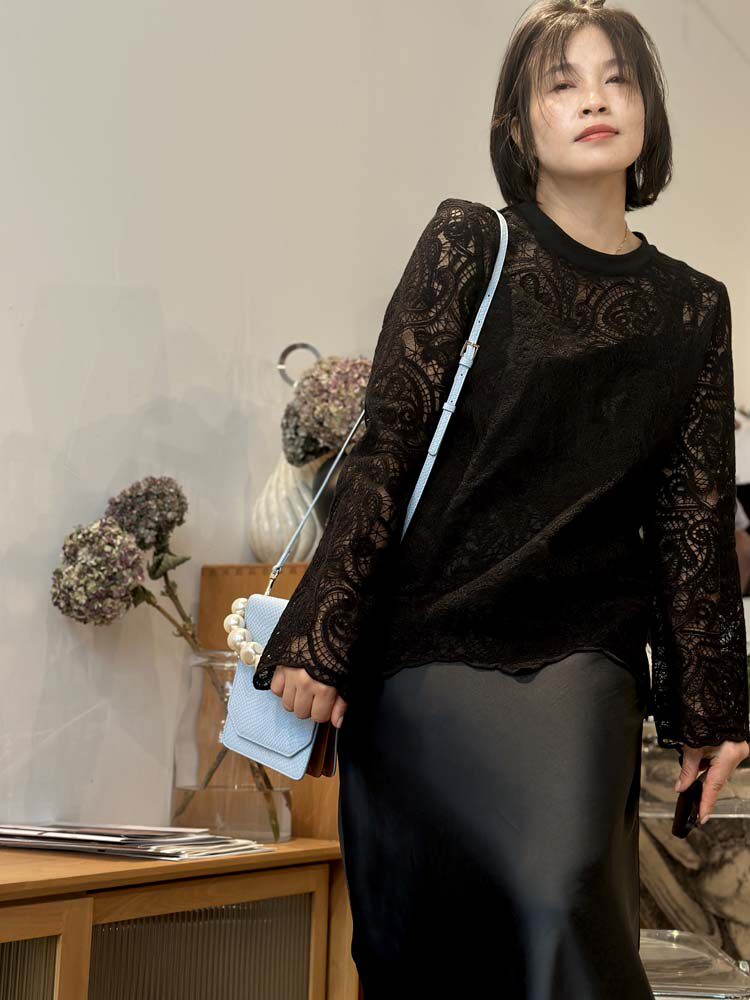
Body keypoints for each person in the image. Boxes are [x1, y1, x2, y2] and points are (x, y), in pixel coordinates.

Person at [251, 0, 750, 995]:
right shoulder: (469, 242)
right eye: (563, 83)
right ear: (518, 128)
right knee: (429, 944)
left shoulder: (694, 307)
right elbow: (388, 443)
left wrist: (713, 707)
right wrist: (324, 628)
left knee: (558, 898)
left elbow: (691, 519)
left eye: (617, 79)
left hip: (582, 657)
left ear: (647, 110)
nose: (595, 99)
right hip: (421, 656)